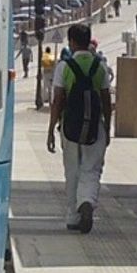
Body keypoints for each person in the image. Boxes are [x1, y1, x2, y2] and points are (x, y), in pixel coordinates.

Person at [47, 23, 113, 233]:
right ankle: (87, 201)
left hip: (70, 127)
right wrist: (107, 127)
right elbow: (106, 100)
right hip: (95, 127)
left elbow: (58, 100)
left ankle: (73, 216)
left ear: (72, 42)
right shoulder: (99, 67)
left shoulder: (64, 67)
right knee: (91, 169)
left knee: (72, 170)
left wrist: (51, 130)